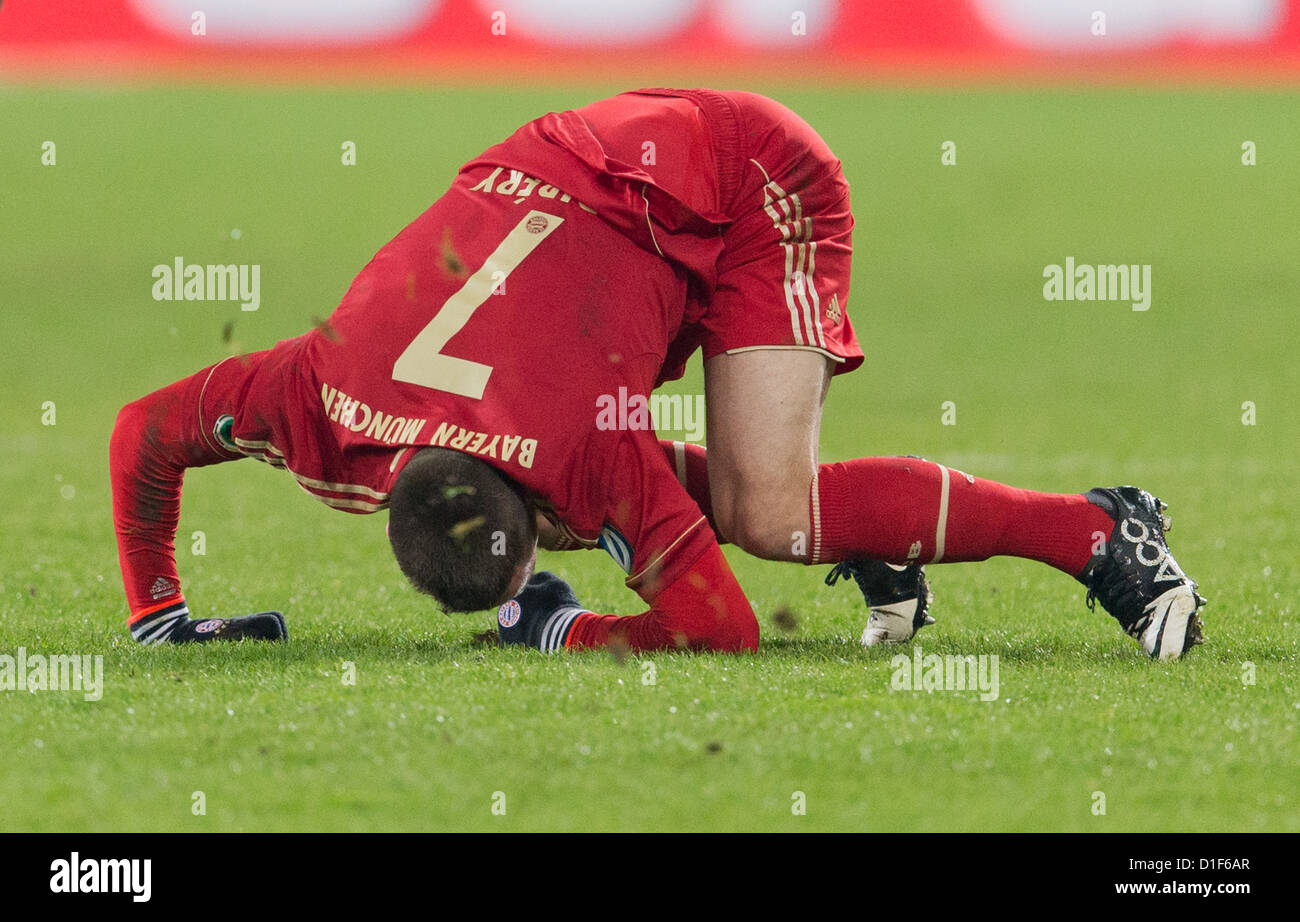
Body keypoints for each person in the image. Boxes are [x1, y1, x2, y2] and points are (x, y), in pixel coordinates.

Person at [110, 88, 1204, 660]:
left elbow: (718, 626)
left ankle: (1098, 533)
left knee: (768, 511)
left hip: (737, 176)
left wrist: (562, 628)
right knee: (727, 490)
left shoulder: (558, 445)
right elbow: (143, 433)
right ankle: (881, 534)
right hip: (598, 154)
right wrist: (153, 608)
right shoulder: (312, 384)